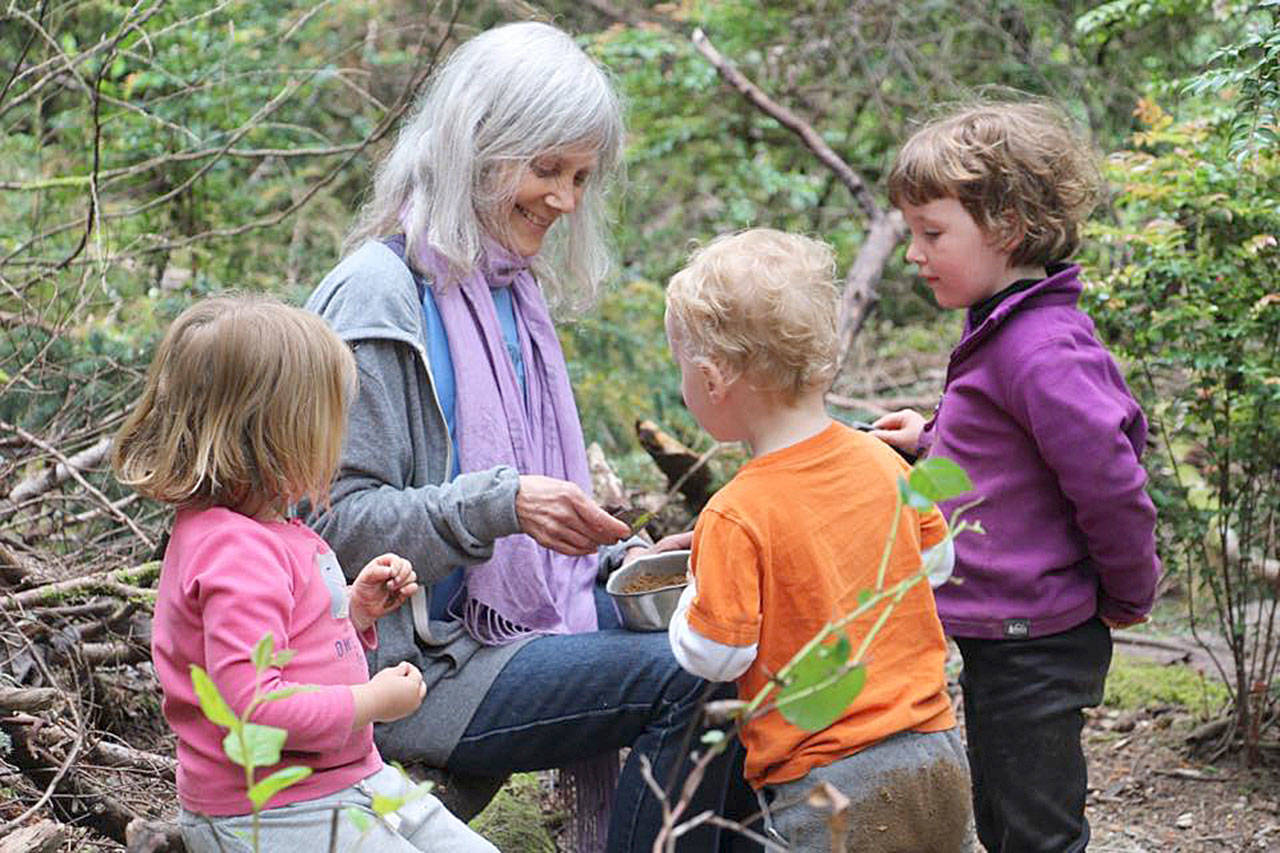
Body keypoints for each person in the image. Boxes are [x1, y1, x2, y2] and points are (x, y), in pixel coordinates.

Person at [304, 20, 752, 852]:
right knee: (690, 677)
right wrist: (499, 504)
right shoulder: (376, 296)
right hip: (413, 672)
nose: (567, 199)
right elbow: (325, 536)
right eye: (546, 168)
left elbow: (529, 559)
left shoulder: (509, 293)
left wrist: (629, 565)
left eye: (581, 175)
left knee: (736, 635)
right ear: (474, 146)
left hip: (510, 635)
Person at [873, 101, 1162, 852]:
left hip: (1036, 640)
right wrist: (931, 438)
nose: (914, 253)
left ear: (1004, 226)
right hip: (1006, 630)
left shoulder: (1038, 347)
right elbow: (1012, 452)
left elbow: (1109, 478)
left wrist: (1132, 586)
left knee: (1037, 829)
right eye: (912, 233)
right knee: (1001, 809)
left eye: (931, 232)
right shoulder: (1005, 324)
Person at [112, 296, 496, 853]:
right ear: (275, 431)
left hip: (349, 777)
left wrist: (352, 608)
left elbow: (284, 636)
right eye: (328, 421)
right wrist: (372, 702)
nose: (338, 441)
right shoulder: (232, 550)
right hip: (271, 809)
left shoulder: (271, 530)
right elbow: (255, 708)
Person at [663, 228, 973, 852]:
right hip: (936, 749)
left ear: (712, 377)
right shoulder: (884, 460)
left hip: (828, 780)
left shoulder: (735, 511)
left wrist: (691, 589)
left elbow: (715, 654)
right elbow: (938, 563)